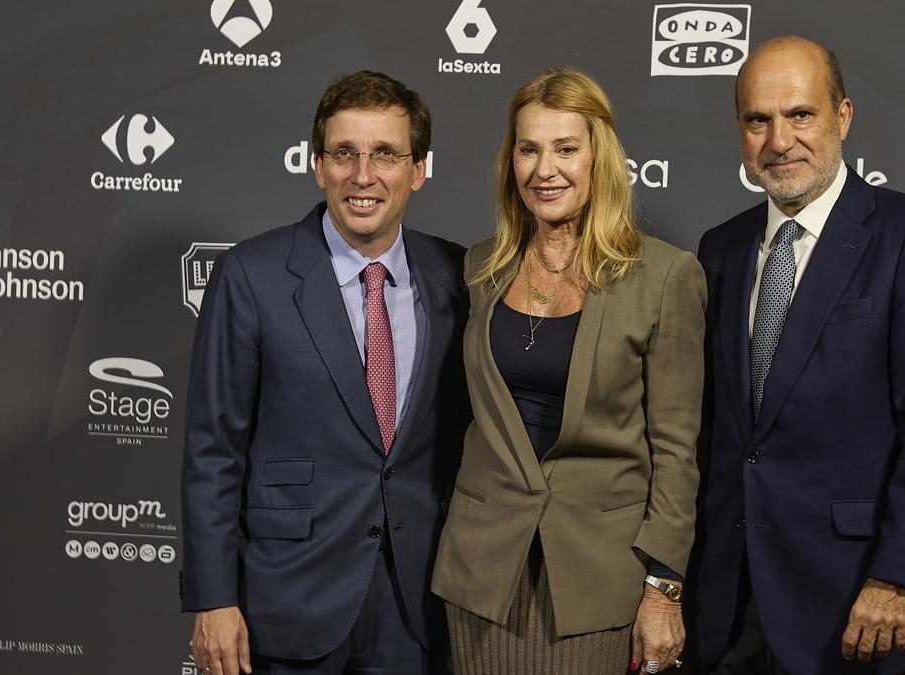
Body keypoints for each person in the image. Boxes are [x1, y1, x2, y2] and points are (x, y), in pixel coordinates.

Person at [689, 36, 905, 675]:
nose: (778, 140)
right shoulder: (721, 250)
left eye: (800, 115)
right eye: (757, 120)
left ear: (843, 117)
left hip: (856, 601)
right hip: (729, 604)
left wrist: (898, 578)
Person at [180, 70, 468, 675]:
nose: (363, 176)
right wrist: (213, 598)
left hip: (420, 609)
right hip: (288, 600)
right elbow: (213, 451)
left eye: (385, 154)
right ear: (318, 165)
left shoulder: (460, 275)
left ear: (418, 170)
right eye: (344, 153)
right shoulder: (251, 275)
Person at [431, 67, 705, 675]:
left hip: (599, 580)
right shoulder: (480, 268)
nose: (543, 169)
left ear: (598, 157)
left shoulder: (665, 276)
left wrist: (664, 588)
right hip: (481, 576)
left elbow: (676, 451)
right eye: (528, 149)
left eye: (565, 149)